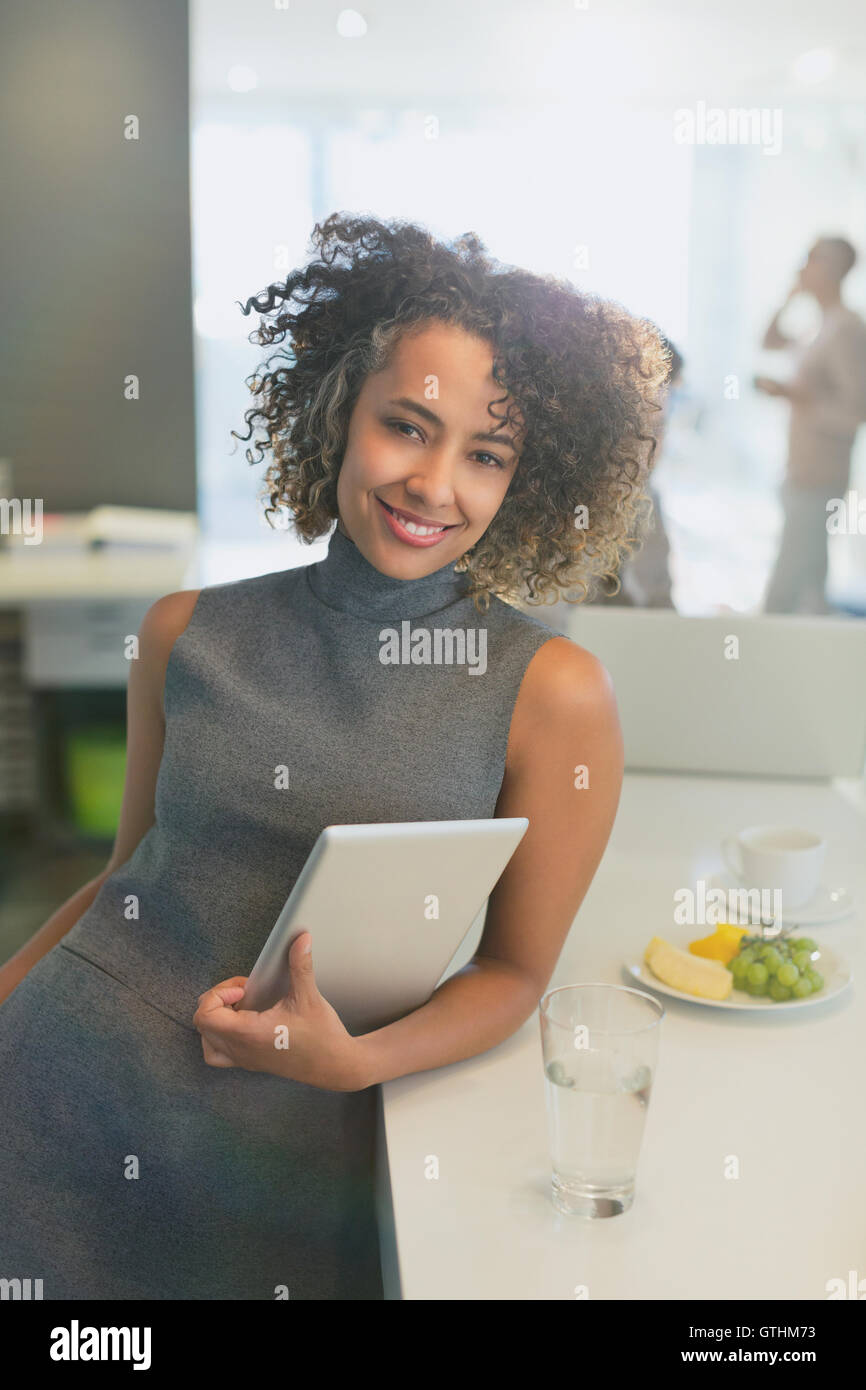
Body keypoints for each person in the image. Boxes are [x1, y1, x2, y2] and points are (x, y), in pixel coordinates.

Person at [0, 214, 669, 1300]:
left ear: (525, 480)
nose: (433, 484)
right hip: (55, 1092)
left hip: (287, 1152)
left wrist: (354, 1063)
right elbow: (129, 878)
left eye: (486, 455)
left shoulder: (550, 695)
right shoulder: (184, 631)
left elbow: (511, 975)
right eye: (406, 426)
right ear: (337, 413)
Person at [755, 236, 866, 614]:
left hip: (820, 475)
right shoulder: (817, 327)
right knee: (808, 589)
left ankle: (762, 660)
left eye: (811, 259)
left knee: (787, 589)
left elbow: (857, 409)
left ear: (834, 268)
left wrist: (793, 394)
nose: (801, 267)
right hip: (799, 471)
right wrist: (790, 297)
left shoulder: (847, 328)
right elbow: (767, 342)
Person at [590, 336, 681, 608]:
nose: (651, 449)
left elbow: (658, 604)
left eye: (659, 429)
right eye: (638, 429)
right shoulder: (568, 501)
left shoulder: (644, 495)